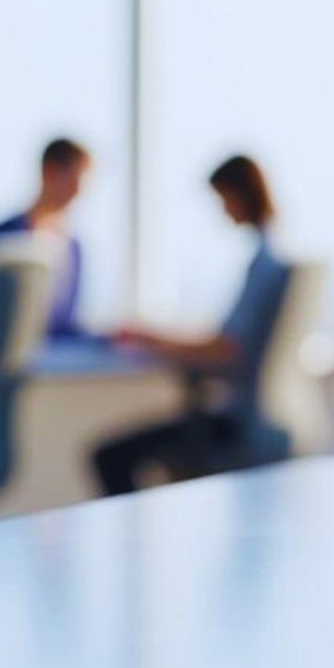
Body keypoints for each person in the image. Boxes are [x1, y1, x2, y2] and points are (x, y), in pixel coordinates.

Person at [92, 155, 292, 495]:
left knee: (109, 458)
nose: (223, 210)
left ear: (238, 194)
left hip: (236, 422)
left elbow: (228, 349)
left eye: (221, 199)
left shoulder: (265, 266)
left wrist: (152, 341)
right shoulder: (274, 258)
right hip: (260, 417)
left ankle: (135, 544)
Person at [0, 138, 91, 340]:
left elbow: (65, 324)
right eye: (75, 180)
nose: (79, 192)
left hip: (49, 360)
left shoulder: (73, 247)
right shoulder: (1, 239)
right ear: (49, 172)